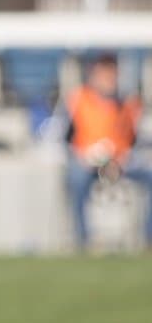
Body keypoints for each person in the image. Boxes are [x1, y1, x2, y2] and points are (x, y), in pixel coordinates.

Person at [63, 54, 152, 249]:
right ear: (94, 74)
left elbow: (133, 139)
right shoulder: (79, 99)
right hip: (89, 162)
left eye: (112, 73)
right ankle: (83, 240)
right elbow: (67, 138)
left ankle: (149, 238)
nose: (109, 79)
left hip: (119, 161)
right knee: (76, 178)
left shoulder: (128, 103)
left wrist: (122, 157)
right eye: (104, 73)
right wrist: (84, 155)